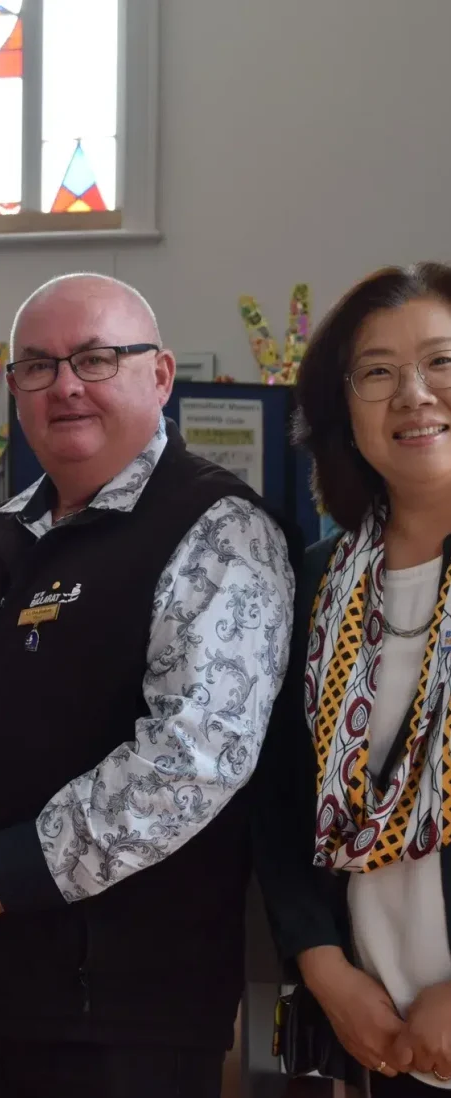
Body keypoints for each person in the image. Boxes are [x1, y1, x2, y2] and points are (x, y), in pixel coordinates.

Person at [0, 272, 296, 1098]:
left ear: (159, 375)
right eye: (37, 365)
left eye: (95, 359)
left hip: (123, 1007)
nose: (64, 386)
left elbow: (194, 754)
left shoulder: (219, 529)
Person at [255, 262, 451, 1096]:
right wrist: (327, 970)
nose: (413, 393)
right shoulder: (315, 585)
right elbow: (280, 796)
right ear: (344, 409)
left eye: (442, 361)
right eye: (378, 371)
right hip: (379, 1028)